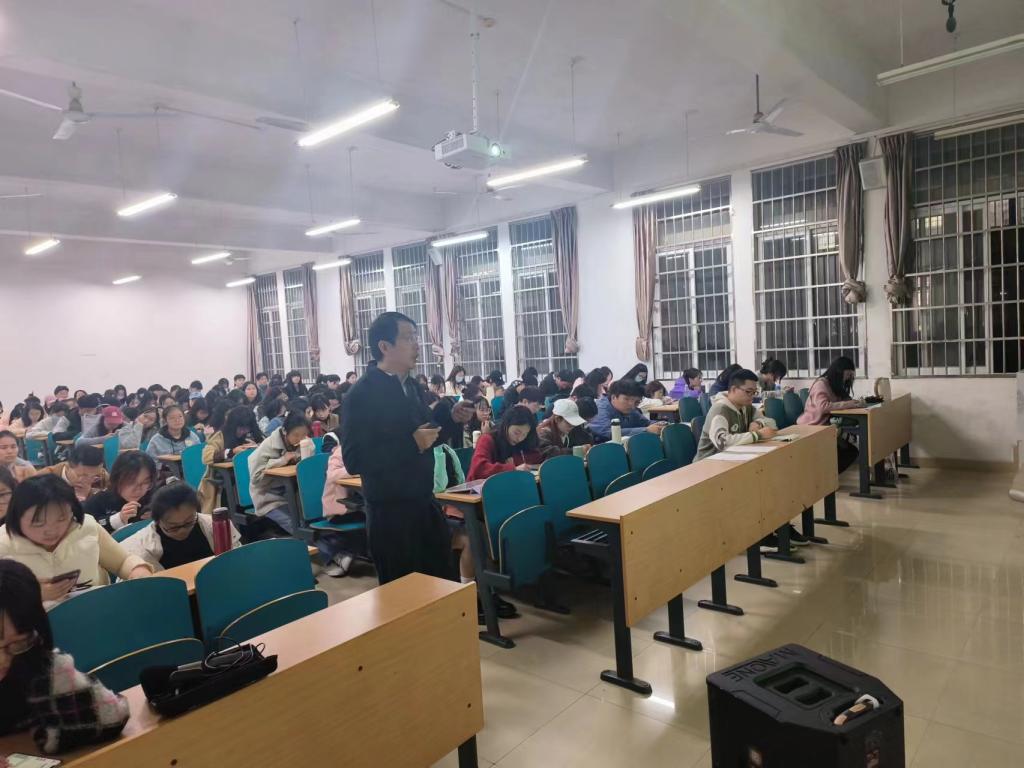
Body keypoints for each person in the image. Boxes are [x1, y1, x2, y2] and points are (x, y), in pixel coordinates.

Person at [341, 312, 452, 585]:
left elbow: (427, 436)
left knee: (443, 588)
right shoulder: (361, 394)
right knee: (405, 596)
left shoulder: (411, 386)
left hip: (424, 504)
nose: (417, 344)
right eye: (408, 338)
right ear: (384, 346)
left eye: (416, 337)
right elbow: (354, 460)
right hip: (391, 515)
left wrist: (453, 421)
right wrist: (411, 443)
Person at [0, 559, 131, 752]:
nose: (3, 660)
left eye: (17, 643)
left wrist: (55, 670)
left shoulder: (34, 660)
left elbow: (113, 715)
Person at [1, 475, 152, 600]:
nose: (51, 530)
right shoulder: (4, 544)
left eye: (61, 519)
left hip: (95, 608)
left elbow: (122, 561)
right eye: (38, 523)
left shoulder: (86, 527)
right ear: (16, 518)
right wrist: (30, 594)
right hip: (37, 622)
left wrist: (137, 570)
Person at [121, 483, 241, 571]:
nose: (182, 530)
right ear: (158, 521)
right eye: (173, 527)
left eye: (188, 522)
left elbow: (237, 561)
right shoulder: (143, 547)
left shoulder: (214, 526)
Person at [797, 356, 863, 474]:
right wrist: (848, 404)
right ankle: (826, 477)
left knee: (852, 452)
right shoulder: (821, 384)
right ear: (839, 371)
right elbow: (823, 407)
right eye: (848, 374)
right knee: (849, 452)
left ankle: (827, 477)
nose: (848, 378)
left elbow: (842, 400)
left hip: (826, 426)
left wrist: (855, 402)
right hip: (812, 427)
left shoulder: (834, 385)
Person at [247, 411, 308, 536]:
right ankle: (306, 546)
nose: (300, 439)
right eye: (296, 435)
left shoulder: (302, 443)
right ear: (285, 431)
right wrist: (282, 460)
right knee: (296, 525)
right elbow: (255, 478)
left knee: (310, 520)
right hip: (268, 498)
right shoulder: (268, 446)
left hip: (292, 495)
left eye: (304, 435)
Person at [696, 369, 778, 461]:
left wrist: (758, 423)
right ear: (734, 389)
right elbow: (722, 443)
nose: (752, 396)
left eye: (754, 392)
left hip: (733, 459)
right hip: (708, 462)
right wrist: (757, 435)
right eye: (748, 391)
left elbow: (772, 423)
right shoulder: (720, 410)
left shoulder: (746, 407)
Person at [198, 406, 263, 515]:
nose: (244, 431)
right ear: (233, 425)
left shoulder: (247, 436)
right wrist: (231, 452)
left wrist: (255, 447)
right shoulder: (220, 436)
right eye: (241, 428)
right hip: (221, 483)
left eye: (247, 428)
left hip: (244, 477)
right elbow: (206, 457)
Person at [82, 451, 156, 531]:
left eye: (145, 482)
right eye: (131, 482)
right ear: (116, 478)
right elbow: (85, 527)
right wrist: (118, 519)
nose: (138, 489)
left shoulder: (153, 499)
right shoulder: (99, 500)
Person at [467, 406, 544, 480]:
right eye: (516, 433)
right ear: (506, 425)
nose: (519, 438)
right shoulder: (487, 439)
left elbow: (536, 458)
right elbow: (479, 469)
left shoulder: (522, 442)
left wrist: (529, 465)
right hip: (479, 488)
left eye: (524, 434)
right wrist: (513, 469)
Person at [590, 380, 667, 441]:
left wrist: (659, 425)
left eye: (637, 402)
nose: (632, 405)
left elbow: (646, 423)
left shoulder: (630, 409)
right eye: (626, 399)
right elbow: (606, 432)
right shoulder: (600, 409)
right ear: (613, 397)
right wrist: (646, 430)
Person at [39, 445, 107, 502]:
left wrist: (90, 496)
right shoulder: (43, 478)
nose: (88, 481)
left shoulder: (103, 476)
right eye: (83, 475)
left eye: (95, 476)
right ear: (68, 467)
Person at [145, 405, 200, 472]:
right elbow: (150, 462)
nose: (177, 420)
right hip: (166, 474)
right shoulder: (156, 440)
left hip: (192, 470)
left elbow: (199, 455)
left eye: (180, 416)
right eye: (172, 418)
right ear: (165, 421)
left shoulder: (191, 436)